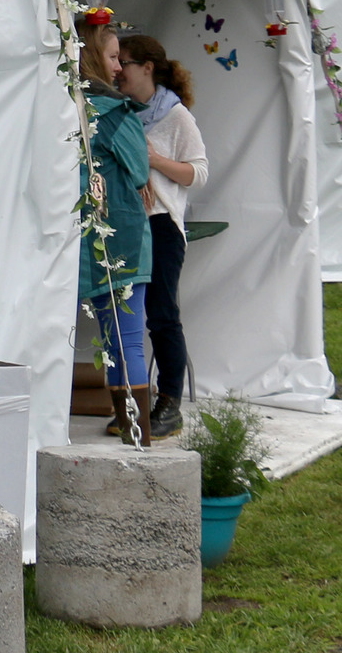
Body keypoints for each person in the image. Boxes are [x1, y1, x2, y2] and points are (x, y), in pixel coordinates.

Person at [118, 33, 205, 441]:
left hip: (161, 224)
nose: (118, 70)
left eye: (126, 63)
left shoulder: (174, 116)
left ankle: (170, 401)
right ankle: (131, 405)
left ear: (147, 68)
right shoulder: (118, 113)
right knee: (126, 316)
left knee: (162, 315)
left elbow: (198, 172)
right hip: (129, 223)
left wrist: (151, 159)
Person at [75, 19, 155, 438]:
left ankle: (122, 422)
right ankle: (135, 430)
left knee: (104, 339)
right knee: (128, 340)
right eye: (111, 57)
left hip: (81, 236)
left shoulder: (64, 105)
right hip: (120, 231)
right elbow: (140, 170)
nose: (119, 68)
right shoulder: (114, 111)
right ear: (91, 57)